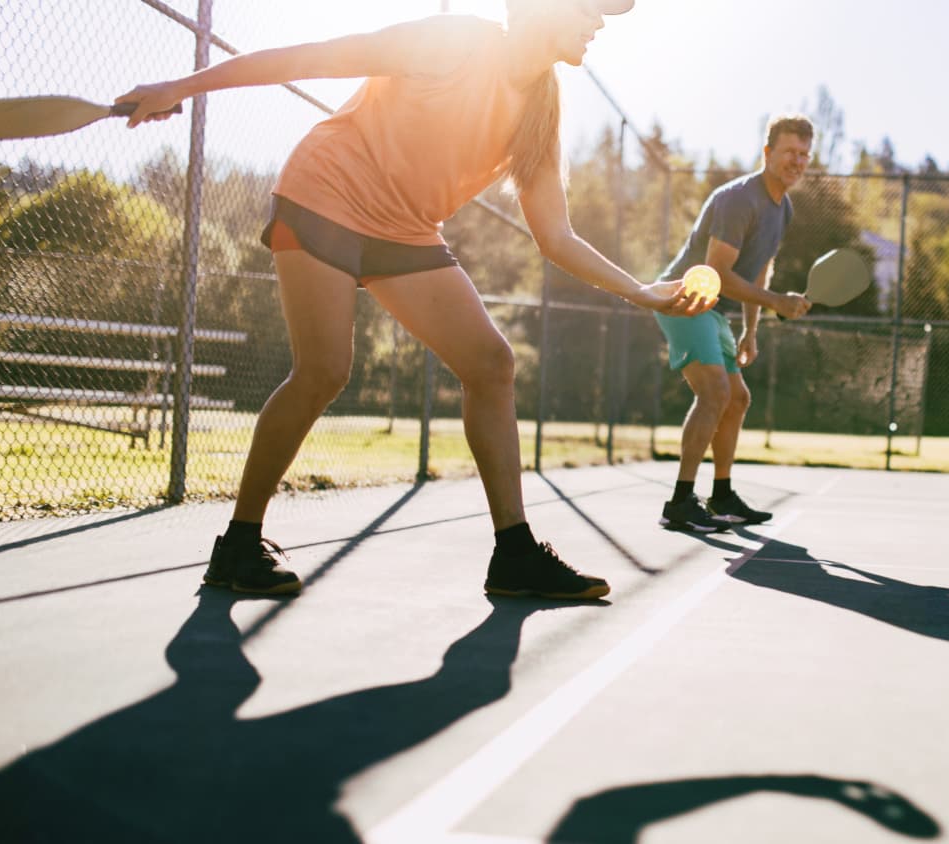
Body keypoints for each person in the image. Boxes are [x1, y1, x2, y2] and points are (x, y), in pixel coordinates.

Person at [117, 0, 712, 601]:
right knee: (324, 371)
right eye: (592, 5)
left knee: (490, 364)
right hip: (327, 191)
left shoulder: (541, 106)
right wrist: (180, 86)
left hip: (404, 229)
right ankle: (238, 544)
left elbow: (554, 236)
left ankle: (514, 554)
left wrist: (640, 292)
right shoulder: (453, 42)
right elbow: (313, 57)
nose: (601, 21)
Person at [653, 115, 813, 533]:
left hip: (713, 310)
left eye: (803, 154)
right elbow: (718, 273)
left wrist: (752, 329)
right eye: (788, 152)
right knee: (715, 392)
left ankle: (721, 495)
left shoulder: (784, 208)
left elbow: (759, 271)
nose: (796, 161)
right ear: (767, 153)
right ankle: (681, 502)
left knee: (737, 399)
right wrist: (778, 302)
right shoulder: (739, 199)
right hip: (683, 299)